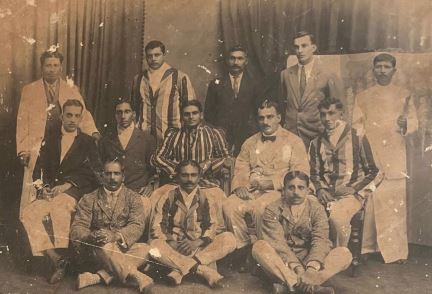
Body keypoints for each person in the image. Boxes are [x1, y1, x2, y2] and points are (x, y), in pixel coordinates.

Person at [20, 99, 101, 284]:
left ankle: (61, 258)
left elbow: (93, 173)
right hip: (50, 193)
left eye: (76, 116)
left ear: (81, 118)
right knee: (28, 213)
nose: (72, 119)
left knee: (59, 206)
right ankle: (56, 258)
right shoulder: (50, 138)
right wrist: (43, 188)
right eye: (69, 115)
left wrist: (68, 186)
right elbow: (39, 169)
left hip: (73, 193)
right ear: (62, 116)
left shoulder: (87, 142)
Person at [222, 100, 309, 272]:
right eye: (261, 118)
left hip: (279, 191)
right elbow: (241, 166)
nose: (265, 122)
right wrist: (240, 185)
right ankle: (245, 249)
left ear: (279, 118)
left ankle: (267, 256)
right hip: (252, 190)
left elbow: (300, 172)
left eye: (270, 117)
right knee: (230, 205)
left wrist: (273, 183)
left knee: (261, 208)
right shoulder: (250, 142)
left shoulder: (294, 141)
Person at [352, 53, 422, 263]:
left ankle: (395, 252)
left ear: (394, 70)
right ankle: (367, 248)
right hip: (371, 154)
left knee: (393, 202)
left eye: (386, 67)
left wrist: (404, 125)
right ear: (373, 70)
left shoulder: (404, 95)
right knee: (371, 200)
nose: (382, 70)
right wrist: (363, 142)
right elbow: (356, 124)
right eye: (378, 67)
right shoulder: (363, 96)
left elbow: (414, 123)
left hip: (394, 153)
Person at [16, 49, 100, 215]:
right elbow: (22, 121)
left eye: (55, 65)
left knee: (58, 190)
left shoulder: (70, 89)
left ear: (61, 67)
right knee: (35, 191)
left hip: (61, 142)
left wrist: (93, 132)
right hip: (37, 144)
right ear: (42, 67)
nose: (52, 69)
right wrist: (23, 149)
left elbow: (83, 114)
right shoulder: (30, 90)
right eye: (48, 65)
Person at [252, 171, 352, 294]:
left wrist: (311, 268)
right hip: (285, 264)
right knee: (259, 247)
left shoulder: (317, 209)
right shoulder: (272, 209)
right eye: (291, 187)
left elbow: (321, 240)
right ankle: (311, 288)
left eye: (301, 188)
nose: (296, 192)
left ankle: (290, 287)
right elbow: (278, 244)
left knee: (344, 253)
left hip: (310, 260)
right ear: (283, 190)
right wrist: (296, 267)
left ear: (307, 190)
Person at [149, 160, 236, 288]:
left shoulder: (206, 197)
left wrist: (197, 242)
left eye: (193, 175)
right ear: (177, 176)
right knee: (154, 245)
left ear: (199, 176)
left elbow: (212, 225)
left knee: (229, 238)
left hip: (200, 247)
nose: (189, 179)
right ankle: (202, 270)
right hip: (176, 247)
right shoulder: (168, 197)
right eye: (185, 175)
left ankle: (179, 271)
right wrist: (172, 243)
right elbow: (157, 225)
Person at [70, 159, 154, 293]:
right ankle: (137, 276)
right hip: (97, 251)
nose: (112, 178)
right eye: (108, 174)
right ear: (101, 176)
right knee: (105, 244)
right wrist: (90, 236)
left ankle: (97, 277)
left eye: (116, 173)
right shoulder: (89, 198)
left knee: (147, 249)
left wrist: (115, 236)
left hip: (121, 247)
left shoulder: (133, 197)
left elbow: (136, 225)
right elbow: (78, 227)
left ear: (123, 176)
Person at [309, 97, 379, 247]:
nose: (327, 118)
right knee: (304, 209)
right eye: (323, 114)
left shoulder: (357, 137)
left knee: (337, 218)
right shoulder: (316, 143)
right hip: (326, 195)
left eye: (331, 113)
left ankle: (338, 256)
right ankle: (316, 254)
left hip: (351, 196)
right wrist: (320, 189)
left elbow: (374, 172)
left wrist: (354, 189)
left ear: (341, 114)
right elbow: (314, 174)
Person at [279, 31, 343, 148]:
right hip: (290, 134)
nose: (300, 50)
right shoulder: (285, 74)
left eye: (304, 46)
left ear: (313, 47)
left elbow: (337, 107)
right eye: (297, 47)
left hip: (316, 134)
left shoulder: (327, 74)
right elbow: (283, 103)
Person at [131, 40, 196, 144]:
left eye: (157, 55)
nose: (153, 59)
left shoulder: (179, 77)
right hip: (144, 136)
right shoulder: (138, 79)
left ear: (164, 55)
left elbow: (191, 108)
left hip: (172, 136)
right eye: (149, 56)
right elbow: (134, 107)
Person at [204, 45, 261, 156]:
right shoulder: (216, 84)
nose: (236, 62)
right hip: (222, 138)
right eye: (232, 58)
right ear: (227, 60)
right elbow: (208, 114)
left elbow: (257, 113)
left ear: (246, 61)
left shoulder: (255, 85)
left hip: (248, 137)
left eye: (240, 58)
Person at [99, 98, 157, 196]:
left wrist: (150, 186)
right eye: (119, 113)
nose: (123, 116)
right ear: (115, 115)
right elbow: (100, 167)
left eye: (127, 112)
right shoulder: (105, 140)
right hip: (113, 192)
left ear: (133, 114)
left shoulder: (147, 139)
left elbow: (153, 169)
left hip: (139, 192)